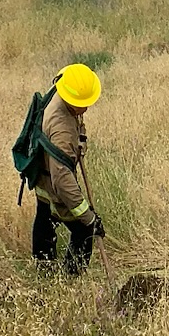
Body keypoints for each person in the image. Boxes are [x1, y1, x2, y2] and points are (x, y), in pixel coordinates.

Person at [19, 63, 104, 273]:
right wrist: (89, 219)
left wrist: (81, 138)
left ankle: (44, 270)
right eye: (83, 104)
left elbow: (78, 120)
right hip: (52, 181)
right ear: (71, 101)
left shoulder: (63, 82)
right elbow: (63, 181)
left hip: (43, 172)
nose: (87, 108)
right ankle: (71, 278)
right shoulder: (62, 129)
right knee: (83, 231)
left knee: (45, 217)